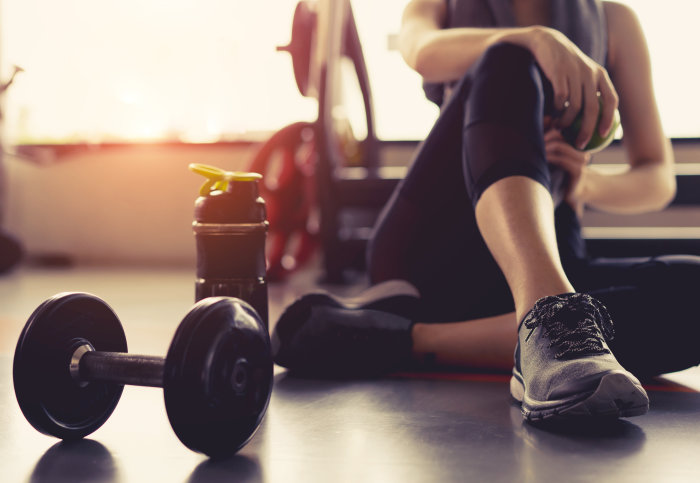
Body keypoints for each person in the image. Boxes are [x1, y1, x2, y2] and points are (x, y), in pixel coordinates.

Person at [272, 0, 700, 422]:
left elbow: (658, 178)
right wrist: (534, 40)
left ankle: (411, 338)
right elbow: (420, 50)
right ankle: (549, 318)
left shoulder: (616, 21)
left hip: (550, 253)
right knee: (511, 57)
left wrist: (588, 183)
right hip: (436, 249)